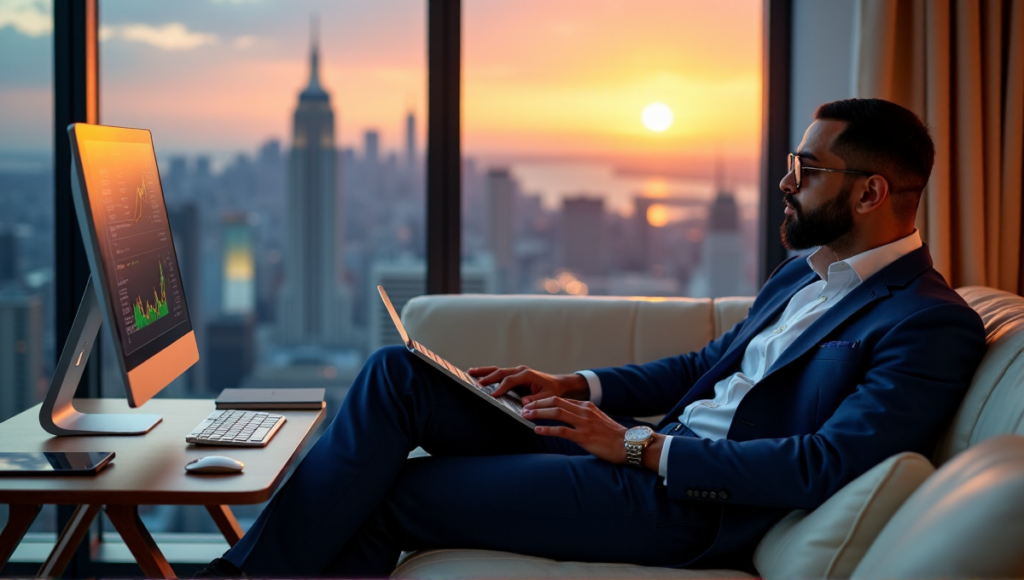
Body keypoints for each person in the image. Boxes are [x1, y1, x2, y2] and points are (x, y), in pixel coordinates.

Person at [199, 98, 987, 577]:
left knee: (392, 496)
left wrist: (641, 452)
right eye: (791, 163)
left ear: (871, 192)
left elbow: (826, 464)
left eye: (806, 169)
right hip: (630, 445)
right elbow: (708, 364)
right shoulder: (806, 272)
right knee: (397, 375)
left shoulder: (927, 323)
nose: (785, 181)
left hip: (684, 504)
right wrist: (577, 387)